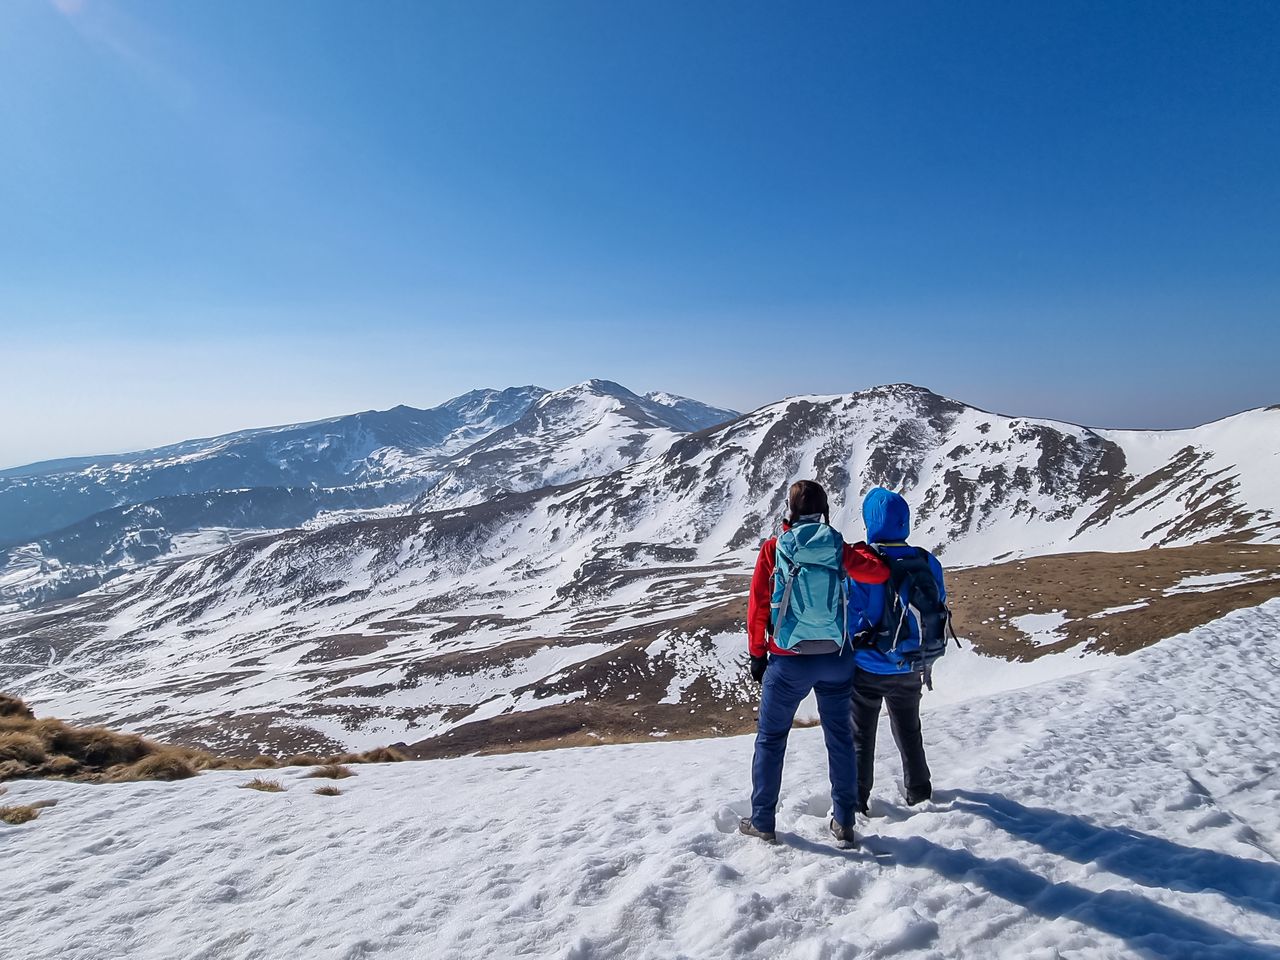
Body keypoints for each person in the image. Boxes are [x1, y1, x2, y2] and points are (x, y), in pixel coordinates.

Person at [740, 480, 890, 845]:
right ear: (825, 511)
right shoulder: (837, 547)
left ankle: (763, 821)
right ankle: (843, 822)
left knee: (772, 738)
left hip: (788, 660)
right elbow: (878, 573)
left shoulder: (775, 548)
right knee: (839, 737)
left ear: (789, 512)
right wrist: (857, 551)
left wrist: (758, 654)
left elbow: (759, 607)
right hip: (836, 657)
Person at [848, 487, 948, 813]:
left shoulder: (866, 563)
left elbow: (852, 617)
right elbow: (939, 605)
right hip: (911, 663)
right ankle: (919, 791)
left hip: (869, 666)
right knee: (909, 730)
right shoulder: (927, 561)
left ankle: (856, 801)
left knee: (861, 738)